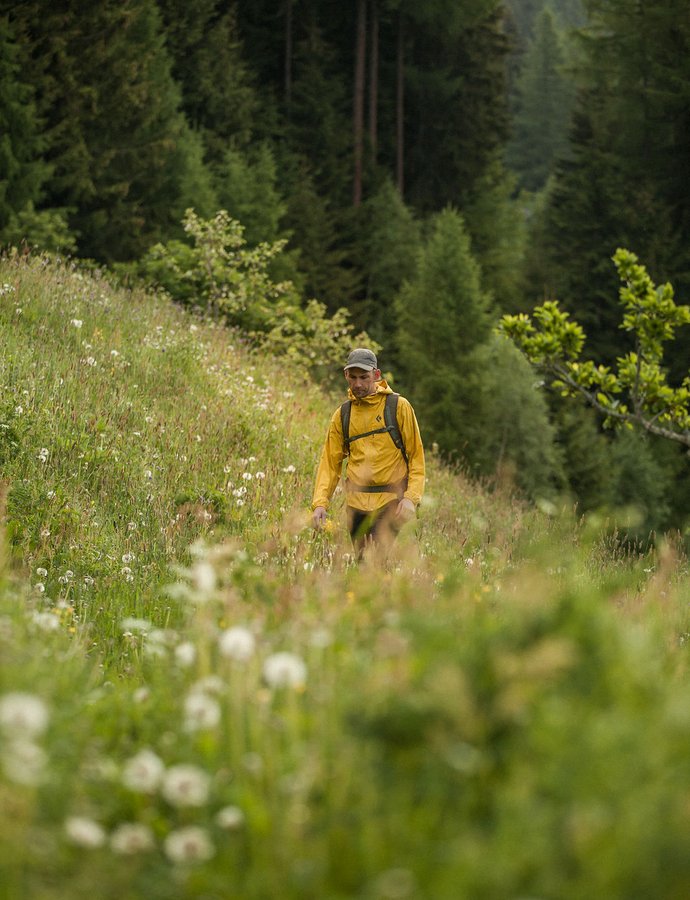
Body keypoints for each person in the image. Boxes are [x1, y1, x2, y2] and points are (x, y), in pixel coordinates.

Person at [311, 348, 425, 555]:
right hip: (356, 506)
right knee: (365, 566)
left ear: (376, 375)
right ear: (346, 375)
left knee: (373, 560)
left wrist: (411, 499)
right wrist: (320, 503)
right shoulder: (342, 415)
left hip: (391, 502)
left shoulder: (398, 407)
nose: (358, 384)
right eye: (352, 377)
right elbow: (330, 463)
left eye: (364, 377)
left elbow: (416, 457)